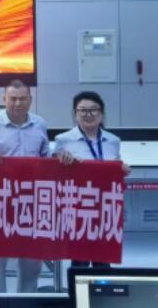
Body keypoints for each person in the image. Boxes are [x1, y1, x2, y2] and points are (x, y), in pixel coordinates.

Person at [0, 79, 72, 293]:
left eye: (22, 99)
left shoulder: (39, 123)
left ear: (30, 100)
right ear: (4, 99)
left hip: (32, 199)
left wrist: (58, 156)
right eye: (12, 98)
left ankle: (27, 298)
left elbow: (44, 155)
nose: (17, 103)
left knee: (32, 257)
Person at [54, 91, 129, 268]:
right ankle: (79, 286)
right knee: (79, 259)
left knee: (103, 259)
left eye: (94, 109)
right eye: (83, 110)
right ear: (75, 114)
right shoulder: (63, 140)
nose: (88, 114)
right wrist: (60, 159)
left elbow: (114, 167)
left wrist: (121, 171)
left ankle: (102, 286)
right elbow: (56, 172)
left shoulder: (113, 141)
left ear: (101, 113)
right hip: (78, 207)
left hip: (105, 206)